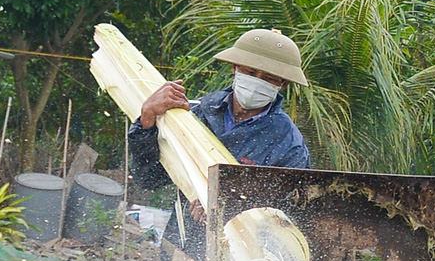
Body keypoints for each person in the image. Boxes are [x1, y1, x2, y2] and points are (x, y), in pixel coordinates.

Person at [126, 28, 310, 226]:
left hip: (243, 254)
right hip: (181, 242)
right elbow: (149, 179)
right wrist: (147, 121)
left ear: (282, 84)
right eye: (250, 72)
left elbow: (288, 219)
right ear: (235, 68)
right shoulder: (195, 114)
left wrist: (228, 211)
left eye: (268, 78)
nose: (257, 81)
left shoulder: (289, 145)